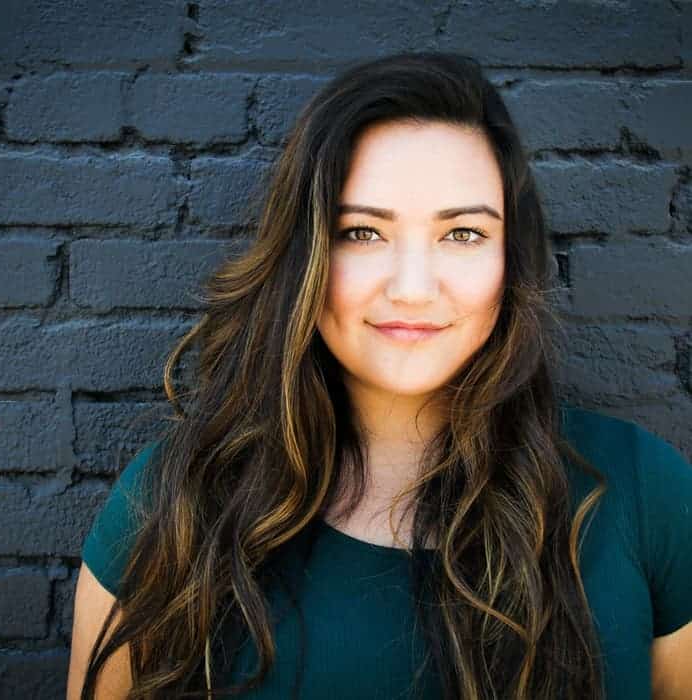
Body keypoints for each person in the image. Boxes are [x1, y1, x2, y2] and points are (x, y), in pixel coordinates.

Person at [66, 51, 692, 700]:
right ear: (303, 255)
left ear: (512, 260)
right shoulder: (173, 504)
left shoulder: (644, 494)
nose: (413, 289)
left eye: (463, 234)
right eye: (362, 232)